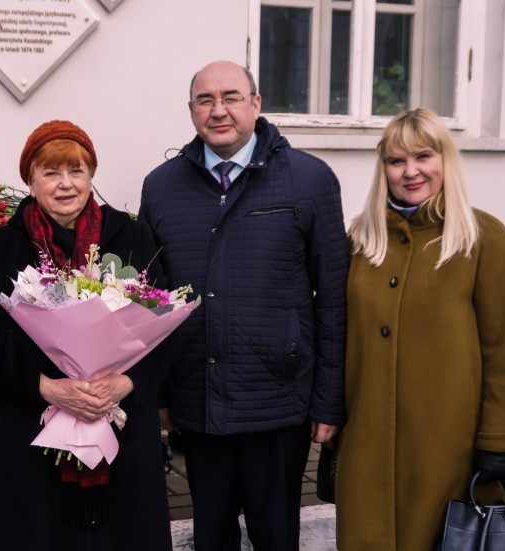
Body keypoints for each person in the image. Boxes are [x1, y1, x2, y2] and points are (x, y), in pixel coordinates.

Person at [138, 60, 348, 550]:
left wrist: (329, 400)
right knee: (211, 534)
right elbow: (153, 302)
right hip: (197, 396)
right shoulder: (162, 186)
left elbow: (333, 300)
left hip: (278, 398)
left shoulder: (310, 180)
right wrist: (163, 395)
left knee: (276, 534)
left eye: (231, 97)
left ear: (256, 104)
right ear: (191, 111)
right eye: (205, 100)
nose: (219, 110)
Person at [335, 107, 505, 550]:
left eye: (423, 156)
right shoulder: (362, 239)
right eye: (396, 161)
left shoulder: (482, 237)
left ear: (445, 160)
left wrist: (501, 441)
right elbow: (340, 336)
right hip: (366, 444)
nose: (411, 172)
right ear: (383, 168)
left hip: (451, 450)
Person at [0, 120, 173, 551]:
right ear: (30, 179)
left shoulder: (133, 237)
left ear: (91, 175)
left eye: (76, 171)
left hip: (120, 429)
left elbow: (164, 333)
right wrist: (46, 387)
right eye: (51, 173)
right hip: (31, 433)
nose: (66, 185)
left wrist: (125, 385)